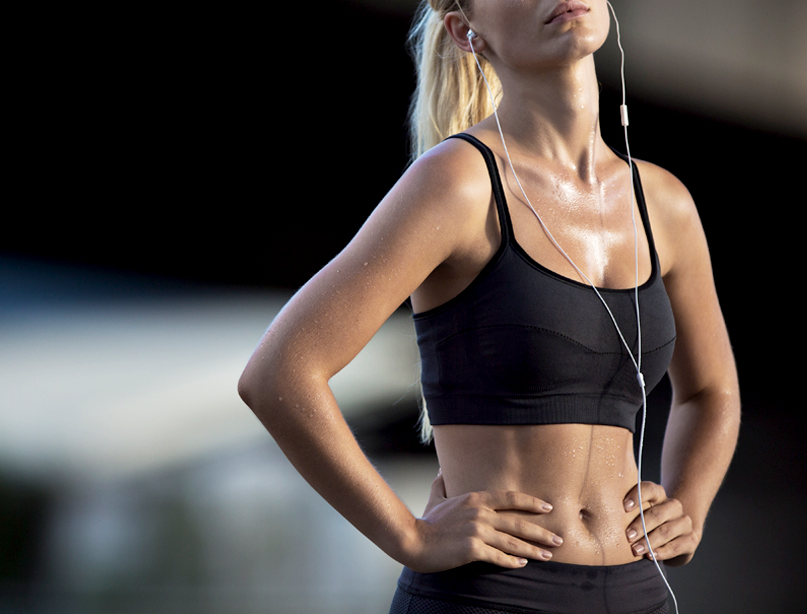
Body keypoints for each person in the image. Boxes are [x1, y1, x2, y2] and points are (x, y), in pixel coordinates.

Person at [237, 1, 739, 612]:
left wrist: (692, 502)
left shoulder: (665, 204)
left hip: (640, 594)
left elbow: (711, 391)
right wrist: (409, 536)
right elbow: (279, 373)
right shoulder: (457, 184)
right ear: (465, 30)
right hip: (493, 597)